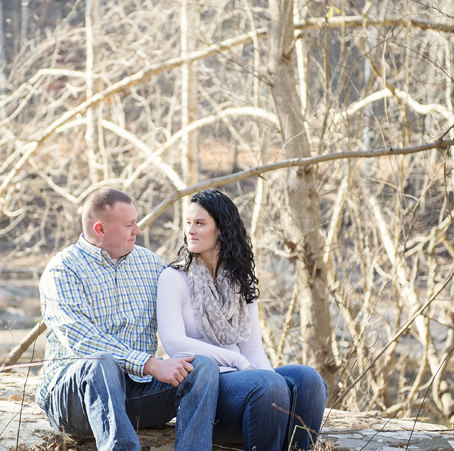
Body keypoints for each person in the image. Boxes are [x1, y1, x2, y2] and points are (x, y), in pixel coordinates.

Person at [36, 187, 219, 451]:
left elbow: (188, 307)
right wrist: (149, 363)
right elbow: (83, 341)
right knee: (100, 362)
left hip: (136, 394)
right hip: (76, 403)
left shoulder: (150, 264)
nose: (138, 231)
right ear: (100, 229)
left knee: (201, 367)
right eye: (130, 224)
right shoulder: (63, 270)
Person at [157, 189, 328, 451]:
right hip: (210, 390)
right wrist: (240, 363)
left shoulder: (240, 280)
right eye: (188, 223)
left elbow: (252, 348)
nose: (190, 230)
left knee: (309, 379)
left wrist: (272, 382)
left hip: (248, 380)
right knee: (267, 383)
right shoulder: (174, 278)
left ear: (221, 231)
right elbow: (174, 344)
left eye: (200, 223)